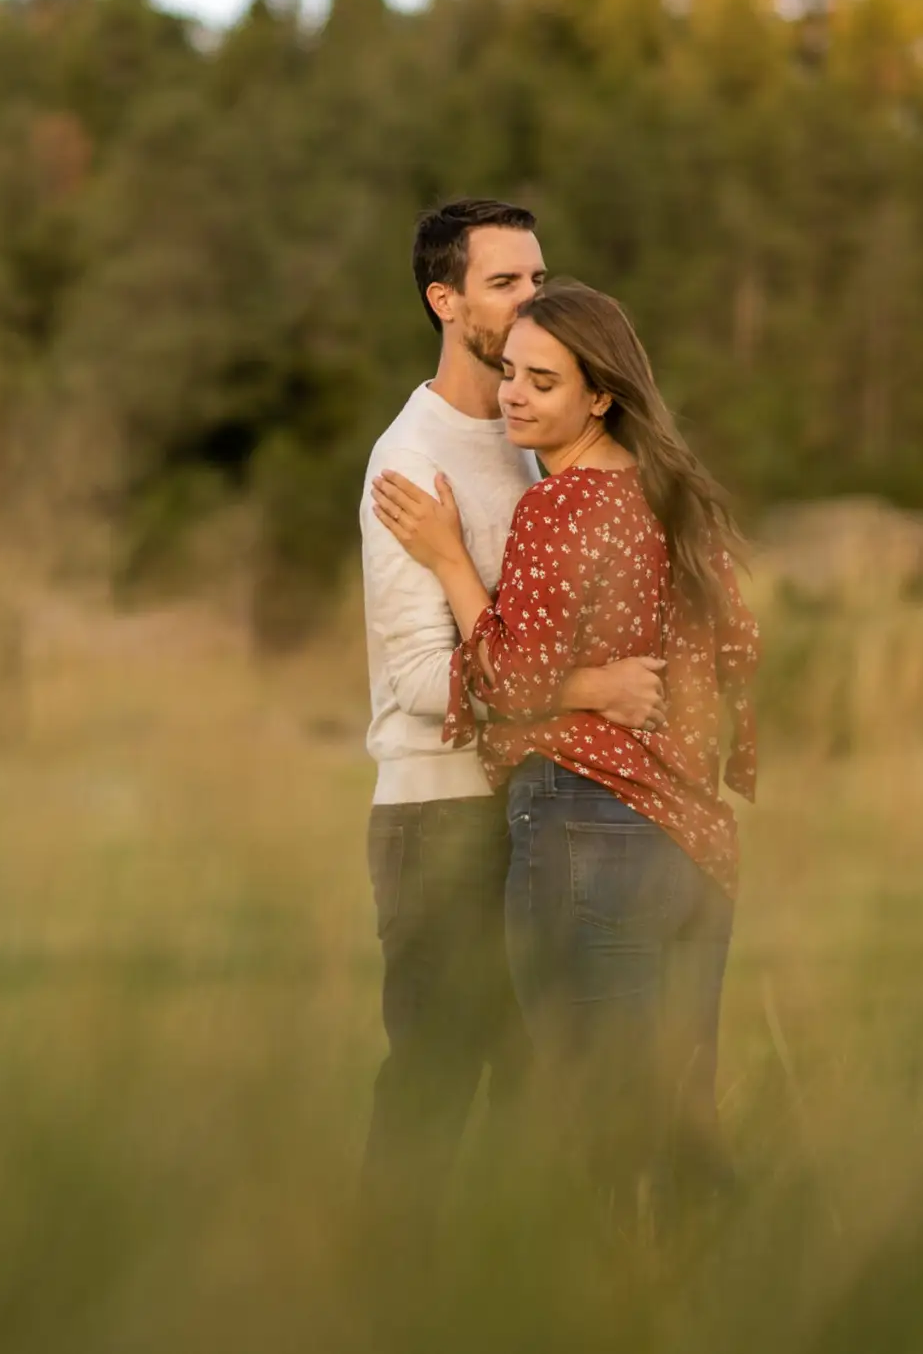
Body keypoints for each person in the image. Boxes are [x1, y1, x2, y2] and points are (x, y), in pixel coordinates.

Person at [370, 279, 758, 1226]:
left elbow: (497, 679)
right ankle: (723, 1293)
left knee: (594, 1120)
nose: (513, 395)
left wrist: (453, 558)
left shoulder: (561, 509)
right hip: (694, 848)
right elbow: (731, 662)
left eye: (543, 382)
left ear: (599, 397)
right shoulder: (674, 503)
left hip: (583, 824)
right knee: (681, 1121)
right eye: (510, 373)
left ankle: (604, 1305)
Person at [356, 204, 668, 1256]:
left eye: (538, 277)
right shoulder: (409, 459)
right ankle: (378, 1293)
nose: (531, 299)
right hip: (438, 813)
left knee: (543, 1081)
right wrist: (593, 688)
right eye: (504, 283)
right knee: (439, 1081)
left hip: (534, 806)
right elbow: (411, 681)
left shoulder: (531, 428)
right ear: (444, 301)